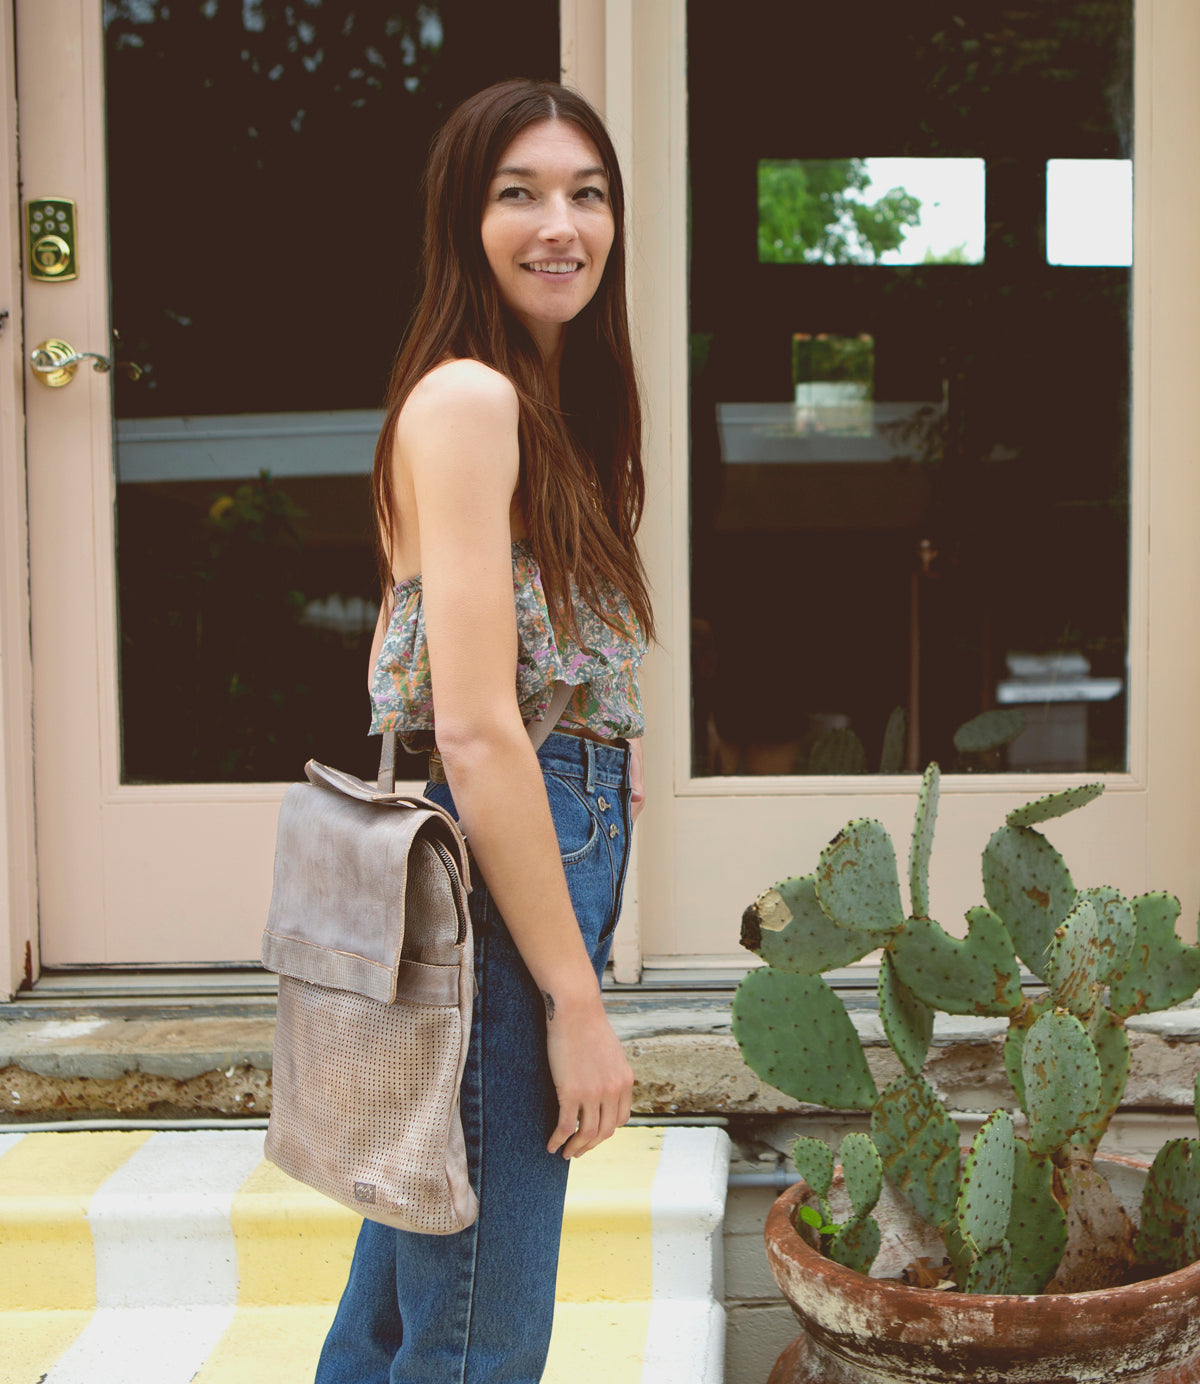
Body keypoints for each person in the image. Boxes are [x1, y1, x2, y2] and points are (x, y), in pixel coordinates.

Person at [314, 79, 654, 1384]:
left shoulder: (550, 406)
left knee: (404, 1307)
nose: (559, 223)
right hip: (500, 867)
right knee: (477, 1337)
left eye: (587, 192)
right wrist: (576, 1001)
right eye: (520, 193)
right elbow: (472, 726)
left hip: (511, 854)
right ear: (464, 220)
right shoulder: (471, 401)